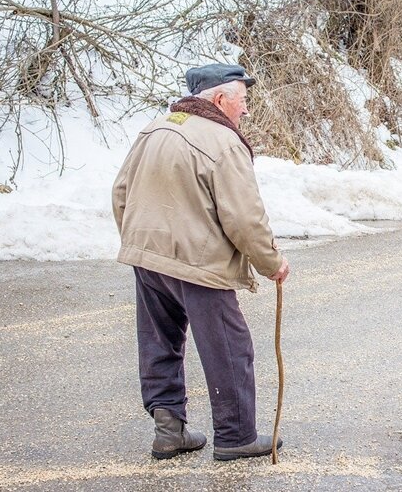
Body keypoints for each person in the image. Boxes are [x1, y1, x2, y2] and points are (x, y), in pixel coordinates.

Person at [112, 63, 290, 461]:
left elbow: (120, 191)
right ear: (221, 98)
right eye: (242, 100)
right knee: (230, 347)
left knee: (160, 342)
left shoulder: (155, 128)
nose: (245, 111)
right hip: (197, 261)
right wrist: (271, 262)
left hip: (147, 255)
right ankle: (237, 436)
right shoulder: (223, 142)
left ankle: (169, 430)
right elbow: (245, 217)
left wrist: (138, 239)